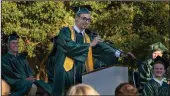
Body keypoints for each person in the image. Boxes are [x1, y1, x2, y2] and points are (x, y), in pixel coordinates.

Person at [52, 5, 135, 96]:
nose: (86, 22)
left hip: (82, 73)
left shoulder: (88, 37)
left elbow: (102, 48)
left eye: (89, 20)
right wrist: (90, 45)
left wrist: (121, 54)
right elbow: (68, 46)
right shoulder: (65, 32)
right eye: (84, 18)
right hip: (65, 72)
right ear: (76, 18)